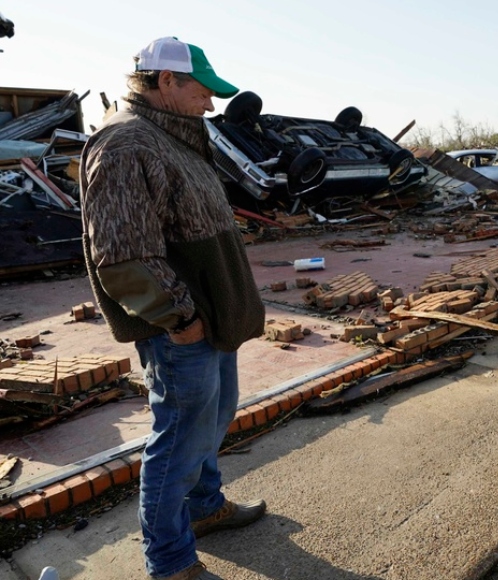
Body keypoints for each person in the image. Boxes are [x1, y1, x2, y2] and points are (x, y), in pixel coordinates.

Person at [80, 37, 268, 580]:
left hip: (210, 320)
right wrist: (181, 319)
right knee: (179, 442)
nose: (210, 104)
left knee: (210, 421)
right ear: (166, 81)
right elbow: (122, 254)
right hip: (181, 327)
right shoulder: (125, 143)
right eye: (203, 92)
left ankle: (204, 508)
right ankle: (169, 561)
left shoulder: (173, 135)